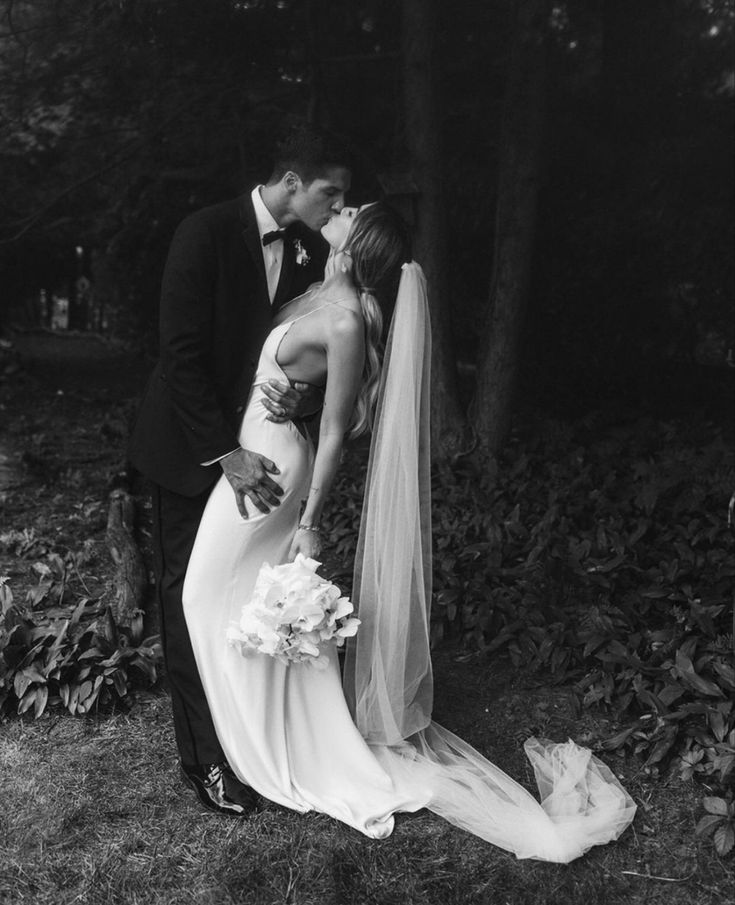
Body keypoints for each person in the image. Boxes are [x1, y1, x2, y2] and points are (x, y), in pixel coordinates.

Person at [182, 203, 637, 861]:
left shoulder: (344, 320)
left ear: (356, 239)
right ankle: (261, 729)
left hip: (274, 471)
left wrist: (310, 520)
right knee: (228, 598)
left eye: (347, 211)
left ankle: (264, 746)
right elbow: (306, 385)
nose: (334, 209)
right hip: (261, 441)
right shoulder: (323, 296)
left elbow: (339, 429)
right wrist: (291, 396)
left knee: (205, 595)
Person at [127, 122, 353, 815]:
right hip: (189, 449)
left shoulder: (316, 254)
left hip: (266, 449)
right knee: (183, 597)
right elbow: (180, 354)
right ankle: (207, 762)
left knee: (241, 600)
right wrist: (225, 454)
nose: (335, 206)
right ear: (290, 182)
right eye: (329, 192)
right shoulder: (203, 231)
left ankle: (256, 737)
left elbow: (305, 356)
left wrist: (303, 395)